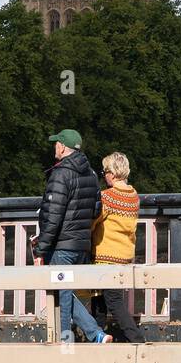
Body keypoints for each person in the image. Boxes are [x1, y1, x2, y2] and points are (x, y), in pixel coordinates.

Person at [33, 129, 111, 343]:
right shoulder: (92, 174)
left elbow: (53, 216)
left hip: (62, 246)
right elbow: (96, 209)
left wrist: (41, 248)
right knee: (64, 292)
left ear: (62, 147)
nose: (54, 147)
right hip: (81, 245)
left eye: (56, 143)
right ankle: (95, 334)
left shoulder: (60, 174)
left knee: (63, 297)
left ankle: (66, 345)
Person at [89, 151, 145, 343]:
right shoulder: (134, 196)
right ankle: (98, 337)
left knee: (111, 301)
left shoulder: (107, 197)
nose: (104, 176)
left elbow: (93, 222)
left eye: (105, 172)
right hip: (125, 255)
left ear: (112, 173)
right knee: (100, 299)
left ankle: (136, 338)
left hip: (105, 256)